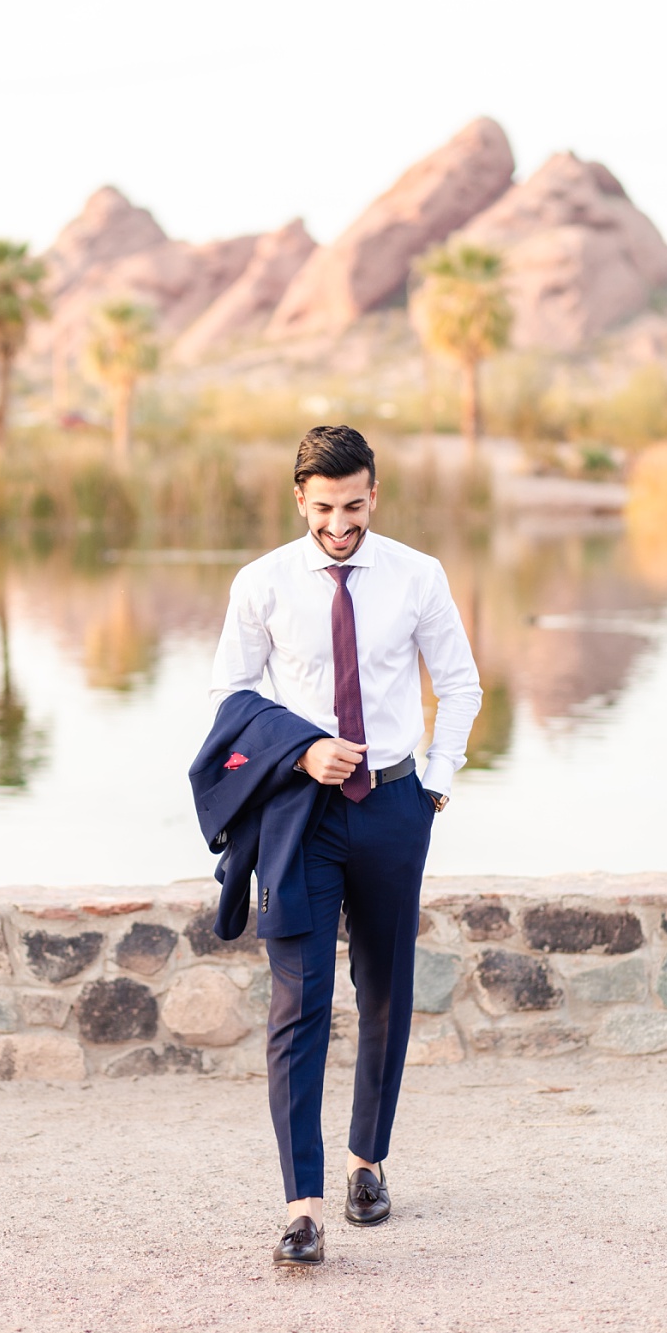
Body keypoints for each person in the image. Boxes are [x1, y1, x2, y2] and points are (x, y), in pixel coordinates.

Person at [206, 424, 481, 1268]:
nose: (338, 523)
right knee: (298, 1006)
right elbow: (230, 694)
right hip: (299, 814)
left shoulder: (417, 575)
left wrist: (433, 782)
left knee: (387, 990)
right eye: (322, 507)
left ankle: (368, 1163)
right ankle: (301, 1206)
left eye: (353, 505)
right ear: (299, 499)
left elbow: (460, 683)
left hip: (395, 805)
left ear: (374, 493)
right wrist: (299, 749)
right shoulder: (261, 583)